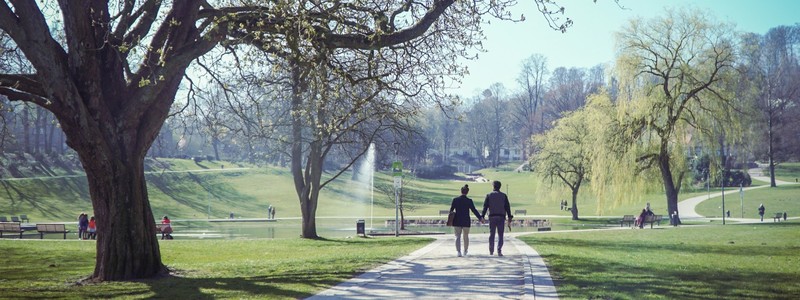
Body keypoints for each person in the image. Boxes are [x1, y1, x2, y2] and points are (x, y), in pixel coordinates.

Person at [449, 184, 483, 257]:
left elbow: (451, 210)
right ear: (467, 192)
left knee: (457, 236)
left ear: (461, 191)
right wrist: (480, 218)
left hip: (457, 220)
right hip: (466, 220)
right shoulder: (469, 201)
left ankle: (458, 252)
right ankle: (465, 251)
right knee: (466, 236)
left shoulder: (455, 200)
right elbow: (474, 210)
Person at [481, 181, 513, 256]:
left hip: (492, 216)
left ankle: (491, 250)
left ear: (493, 186)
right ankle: (499, 250)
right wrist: (509, 216)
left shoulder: (489, 195)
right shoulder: (504, 196)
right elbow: (507, 207)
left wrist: (482, 216)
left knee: (492, 234)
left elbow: (485, 207)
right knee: (500, 234)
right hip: (501, 217)